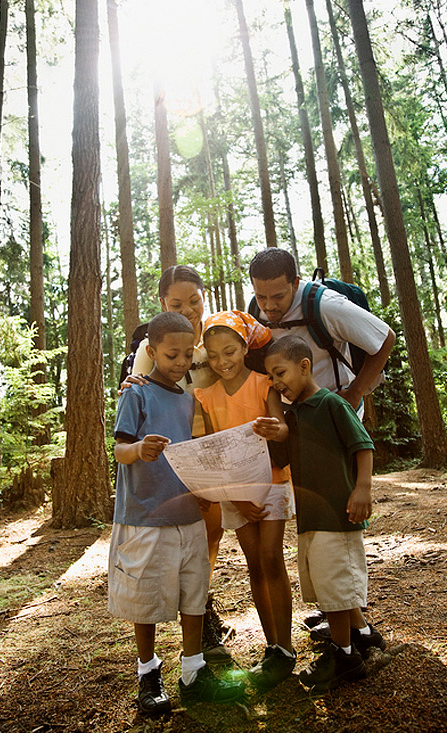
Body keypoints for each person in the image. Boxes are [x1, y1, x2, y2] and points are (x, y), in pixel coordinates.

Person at [108, 312, 245, 715]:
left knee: (193, 595)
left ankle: (193, 672)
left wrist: (204, 490)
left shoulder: (190, 399)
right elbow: (118, 449)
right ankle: (148, 674)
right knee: (146, 599)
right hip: (145, 515)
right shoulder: (136, 394)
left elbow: (195, 452)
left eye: (188, 355)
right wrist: (139, 450)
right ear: (151, 353)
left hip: (188, 515)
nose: (182, 363)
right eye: (171, 355)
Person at [261, 334, 387, 691]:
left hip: (338, 514)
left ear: (305, 366)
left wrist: (363, 489)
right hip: (311, 519)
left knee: (336, 588)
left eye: (280, 373)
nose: (277, 382)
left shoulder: (332, 404)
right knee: (330, 588)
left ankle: (344, 655)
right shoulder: (294, 414)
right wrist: (273, 416)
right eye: (271, 377)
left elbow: (362, 446)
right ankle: (361, 636)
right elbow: (282, 458)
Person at [125, 265, 232, 663]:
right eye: (176, 304)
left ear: (205, 297)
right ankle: (197, 616)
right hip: (177, 449)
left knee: (214, 528)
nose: (187, 310)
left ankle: (201, 599)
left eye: (194, 301)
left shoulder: (219, 335)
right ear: (162, 305)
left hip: (216, 445)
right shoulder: (151, 347)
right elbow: (140, 391)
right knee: (188, 532)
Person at [194, 311, 296, 691]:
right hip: (234, 492)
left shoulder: (263, 384)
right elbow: (212, 451)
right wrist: (235, 496)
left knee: (272, 558)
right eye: (215, 354)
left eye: (230, 351)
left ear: (244, 348)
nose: (223, 361)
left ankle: (285, 647)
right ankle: (273, 648)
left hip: (270, 484)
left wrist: (277, 428)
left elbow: (282, 429)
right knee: (255, 565)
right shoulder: (206, 396)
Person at [248, 248, 395, 415]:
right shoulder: (254, 311)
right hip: (291, 413)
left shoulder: (326, 305)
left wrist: (355, 394)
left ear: (295, 283)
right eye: (261, 297)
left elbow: (386, 338)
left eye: (278, 297)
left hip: (334, 407)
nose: (269, 306)